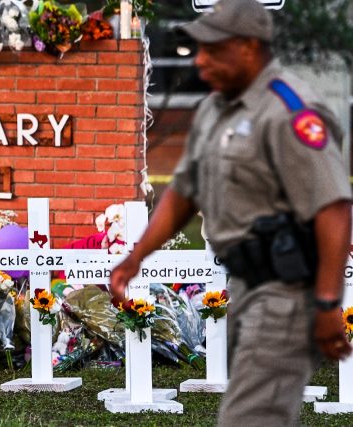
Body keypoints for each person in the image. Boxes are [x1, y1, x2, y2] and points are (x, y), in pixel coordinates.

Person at [110, 0, 352, 425]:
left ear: (248, 48)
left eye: (212, 48)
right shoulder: (213, 111)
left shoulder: (290, 112)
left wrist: (329, 302)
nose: (200, 59)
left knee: (249, 418)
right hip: (246, 287)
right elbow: (184, 192)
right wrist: (135, 258)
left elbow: (332, 207)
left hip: (288, 293)